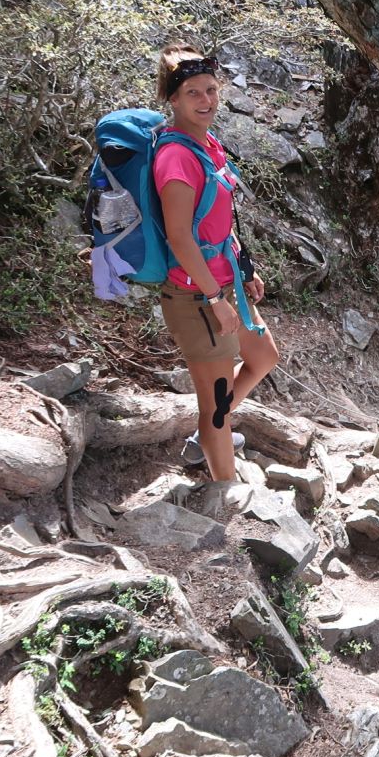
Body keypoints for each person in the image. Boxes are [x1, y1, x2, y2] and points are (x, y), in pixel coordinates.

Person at [152, 43, 280, 481]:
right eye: (193, 93)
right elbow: (180, 237)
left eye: (211, 90)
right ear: (172, 98)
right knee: (219, 403)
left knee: (263, 356)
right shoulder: (176, 158)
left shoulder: (208, 145)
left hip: (222, 283)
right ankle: (227, 491)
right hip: (196, 297)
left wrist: (242, 269)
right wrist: (214, 298)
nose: (206, 101)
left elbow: (216, 222)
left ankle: (209, 433)